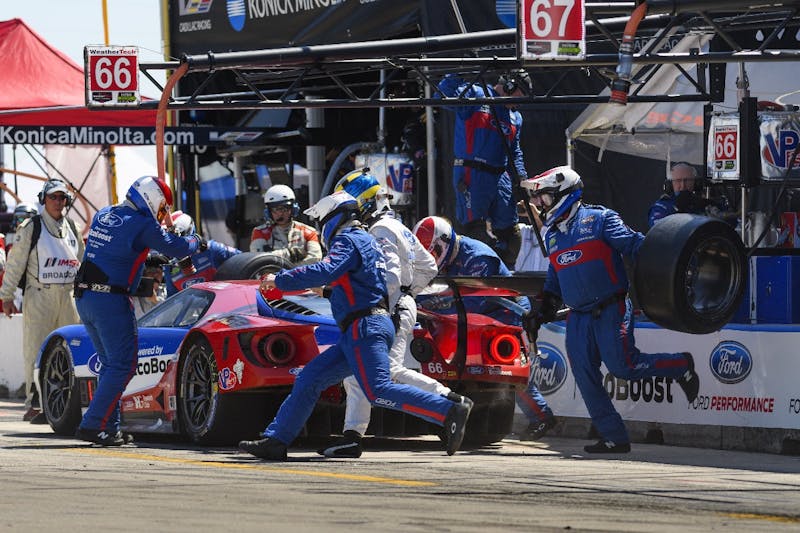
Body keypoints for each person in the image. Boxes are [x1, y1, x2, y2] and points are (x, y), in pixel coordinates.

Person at [238, 191, 473, 461]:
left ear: (334, 218)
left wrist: (280, 280)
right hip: (361, 328)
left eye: (323, 221)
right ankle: (276, 440)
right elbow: (359, 286)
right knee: (310, 378)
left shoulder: (348, 239)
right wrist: (326, 292)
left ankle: (447, 409)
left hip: (364, 327)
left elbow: (325, 270)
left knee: (378, 389)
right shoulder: (366, 241)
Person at [522, 166, 700, 453]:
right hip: (577, 316)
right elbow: (555, 280)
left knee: (623, 367)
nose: (540, 204)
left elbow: (637, 247)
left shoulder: (600, 219)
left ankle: (680, 365)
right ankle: (614, 437)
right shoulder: (553, 235)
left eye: (544, 197)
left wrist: (672, 270)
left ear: (563, 194)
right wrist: (541, 312)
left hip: (611, 308)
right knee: (584, 374)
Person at [318, 169, 457, 458]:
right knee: (359, 375)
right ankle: (352, 437)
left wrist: (390, 299)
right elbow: (429, 266)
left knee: (384, 373)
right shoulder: (397, 226)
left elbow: (390, 278)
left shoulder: (378, 230)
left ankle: (450, 403)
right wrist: (409, 292)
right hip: (397, 305)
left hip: (387, 307)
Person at [73, 176, 205, 446]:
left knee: (111, 365)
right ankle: (93, 424)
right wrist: (195, 240)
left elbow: (118, 249)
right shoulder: (143, 224)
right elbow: (177, 247)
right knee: (123, 364)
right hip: (110, 300)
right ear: (151, 198)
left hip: (86, 296)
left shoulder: (105, 213)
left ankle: (109, 427)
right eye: (162, 207)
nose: (161, 214)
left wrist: (149, 256)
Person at [413, 215, 557, 440]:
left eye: (434, 252)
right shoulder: (444, 257)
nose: (431, 258)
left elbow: (476, 302)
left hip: (506, 312)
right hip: (469, 314)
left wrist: (435, 307)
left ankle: (542, 417)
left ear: (444, 242)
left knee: (508, 371)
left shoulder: (478, 257)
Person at [0, 180, 83, 424]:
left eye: (62, 198)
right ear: (43, 199)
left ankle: (65, 405)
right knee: (36, 351)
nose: (58, 202)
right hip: (39, 295)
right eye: (53, 197)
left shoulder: (73, 227)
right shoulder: (32, 227)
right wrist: (6, 296)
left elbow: (83, 261)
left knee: (70, 351)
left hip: (68, 296)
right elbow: (15, 264)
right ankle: (34, 403)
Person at [436, 69, 533, 268]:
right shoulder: (478, 95)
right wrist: (461, 72)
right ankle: (477, 273)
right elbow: (442, 94)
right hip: (472, 173)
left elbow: (515, 151)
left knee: (512, 238)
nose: (519, 102)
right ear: (509, 86)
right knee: (475, 232)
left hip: (500, 177)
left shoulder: (516, 117)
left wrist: (523, 179)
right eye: (519, 94)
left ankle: (503, 278)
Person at [164, 211, 241, 296]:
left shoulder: (212, 249)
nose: (175, 247)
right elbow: (172, 300)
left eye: (176, 240)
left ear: (188, 233)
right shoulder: (169, 266)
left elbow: (245, 261)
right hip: (197, 308)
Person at [249, 184, 323, 266]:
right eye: (276, 209)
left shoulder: (309, 231)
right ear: (268, 212)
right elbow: (258, 259)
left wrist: (287, 270)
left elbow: (315, 259)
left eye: (285, 208)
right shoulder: (259, 232)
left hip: (299, 277)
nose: (280, 213)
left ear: (293, 209)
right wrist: (290, 254)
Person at [648, 162, 728, 227]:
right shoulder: (662, 207)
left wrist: (710, 205)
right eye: (678, 181)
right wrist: (679, 212)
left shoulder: (704, 205)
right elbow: (658, 231)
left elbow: (731, 224)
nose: (683, 186)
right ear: (670, 184)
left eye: (687, 181)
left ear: (696, 183)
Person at [132, 252, 168, 319]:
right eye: (150, 272)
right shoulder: (133, 291)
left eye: (158, 272)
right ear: (143, 274)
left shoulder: (166, 291)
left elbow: (170, 315)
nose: (154, 275)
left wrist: (156, 300)